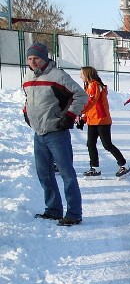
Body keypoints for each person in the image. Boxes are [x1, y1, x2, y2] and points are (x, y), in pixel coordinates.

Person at [22, 42, 87, 226]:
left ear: (44, 58)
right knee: (44, 173)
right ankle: (53, 210)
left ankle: (74, 212)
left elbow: (81, 95)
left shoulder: (57, 75)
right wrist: (26, 112)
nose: (33, 62)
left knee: (67, 174)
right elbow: (28, 98)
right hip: (39, 133)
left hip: (56, 133)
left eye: (36, 58)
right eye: (30, 58)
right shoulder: (28, 77)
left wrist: (69, 116)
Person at [80, 66, 130, 178]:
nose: (80, 76)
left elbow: (91, 102)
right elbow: (92, 106)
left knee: (107, 145)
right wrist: (83, 118)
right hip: (93, 120)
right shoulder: (89, 86)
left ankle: (124, 165)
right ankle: (95, 168)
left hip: (102, 120)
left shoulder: (95, 85)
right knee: (90, 144)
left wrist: (79, 112)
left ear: (87, 74)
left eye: (82, 74)